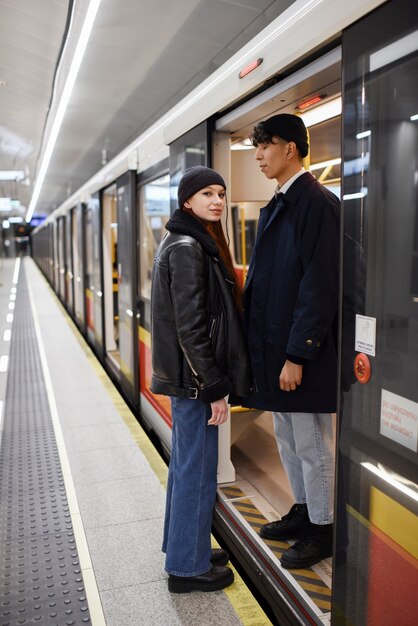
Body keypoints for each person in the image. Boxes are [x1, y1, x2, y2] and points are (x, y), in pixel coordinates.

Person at [242, 114, 340, 569]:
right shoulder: (281, 202)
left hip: (301, 354)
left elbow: (319, 284)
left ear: (292, 150)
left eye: (266, 146)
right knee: (287, 436)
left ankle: (324, 529)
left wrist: (298, 353)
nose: (259, 155)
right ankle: (303, 511)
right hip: (277, 351)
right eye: (257, 147)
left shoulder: (315, 202)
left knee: (311, 442)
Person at [150, 165, 251, 592]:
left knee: (188, 467)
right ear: (187, 201)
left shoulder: (183, 241)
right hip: (195, 383)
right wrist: (212, 388)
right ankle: (187, 569)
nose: (217, 201)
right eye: (207, 193)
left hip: (188, 380)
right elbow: (192, 329)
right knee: (196, 470)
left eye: (221, 194)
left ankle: (184, 547)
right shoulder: (189, 248)